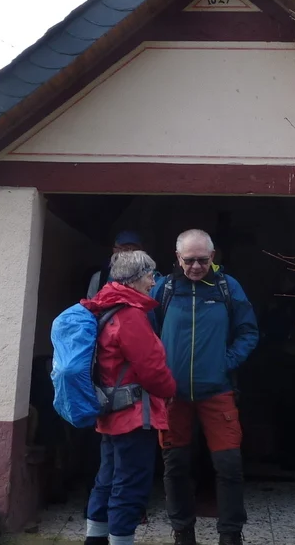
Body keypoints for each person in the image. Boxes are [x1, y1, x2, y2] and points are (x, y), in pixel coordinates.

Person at [153, 229, 259, 545]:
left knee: (229, 466)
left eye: (202, 260)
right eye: (189, 260)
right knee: (176, 466)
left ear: (212, 257)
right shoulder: (165, 289)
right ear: (177, 258)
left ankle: (230, 535)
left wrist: (224, 362)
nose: (196, 266)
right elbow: (146, 333)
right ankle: (182, 532)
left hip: (217, 391)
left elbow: (249, 332)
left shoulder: (228, 287)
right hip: (174, 395)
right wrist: (159, 370)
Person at [82, 251, 177, 545]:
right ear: (136, 278)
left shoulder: (105, 308)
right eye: (150, 275)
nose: (153, 281)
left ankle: (94, 540)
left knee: (107, 480)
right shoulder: (131, 315)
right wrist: (171, 390)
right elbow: (151, 369)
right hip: (133, 416)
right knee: (130, 485)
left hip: (110, 411)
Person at [88, 231, 147, 300]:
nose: (130, 254)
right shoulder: (99, 278)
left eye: (134, 250)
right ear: (114, 250)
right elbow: (90, 307)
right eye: (125, 249)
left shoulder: (150, 279)